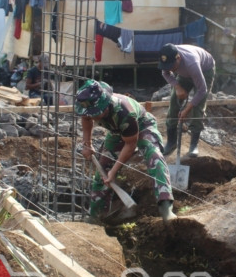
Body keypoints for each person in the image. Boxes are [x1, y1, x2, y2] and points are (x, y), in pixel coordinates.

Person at [75, 79, 176, 223]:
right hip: (117, 131)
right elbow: (86, 119)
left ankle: (165, 207)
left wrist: (114, 172)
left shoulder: (124, 112)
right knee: (102, 170)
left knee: (154, 156)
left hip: (142, 125)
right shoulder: (87, 106)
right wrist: (87, 144)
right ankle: (96, 216)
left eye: (95, 113)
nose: (92, 115)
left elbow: (130, 145)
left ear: (104, 106)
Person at [157, 43, 216, 158]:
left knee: (198, 107)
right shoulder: (167, 58)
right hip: (185, 73)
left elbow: (202, 90)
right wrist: (177, 87)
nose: (169, 68)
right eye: (166, 65)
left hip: (205, 70)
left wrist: (187, 109)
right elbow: (165, 72)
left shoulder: (191, 63)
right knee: (174, 100)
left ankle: (193, 145)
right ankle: (171, 142)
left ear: (178, 58)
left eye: (171, 66)